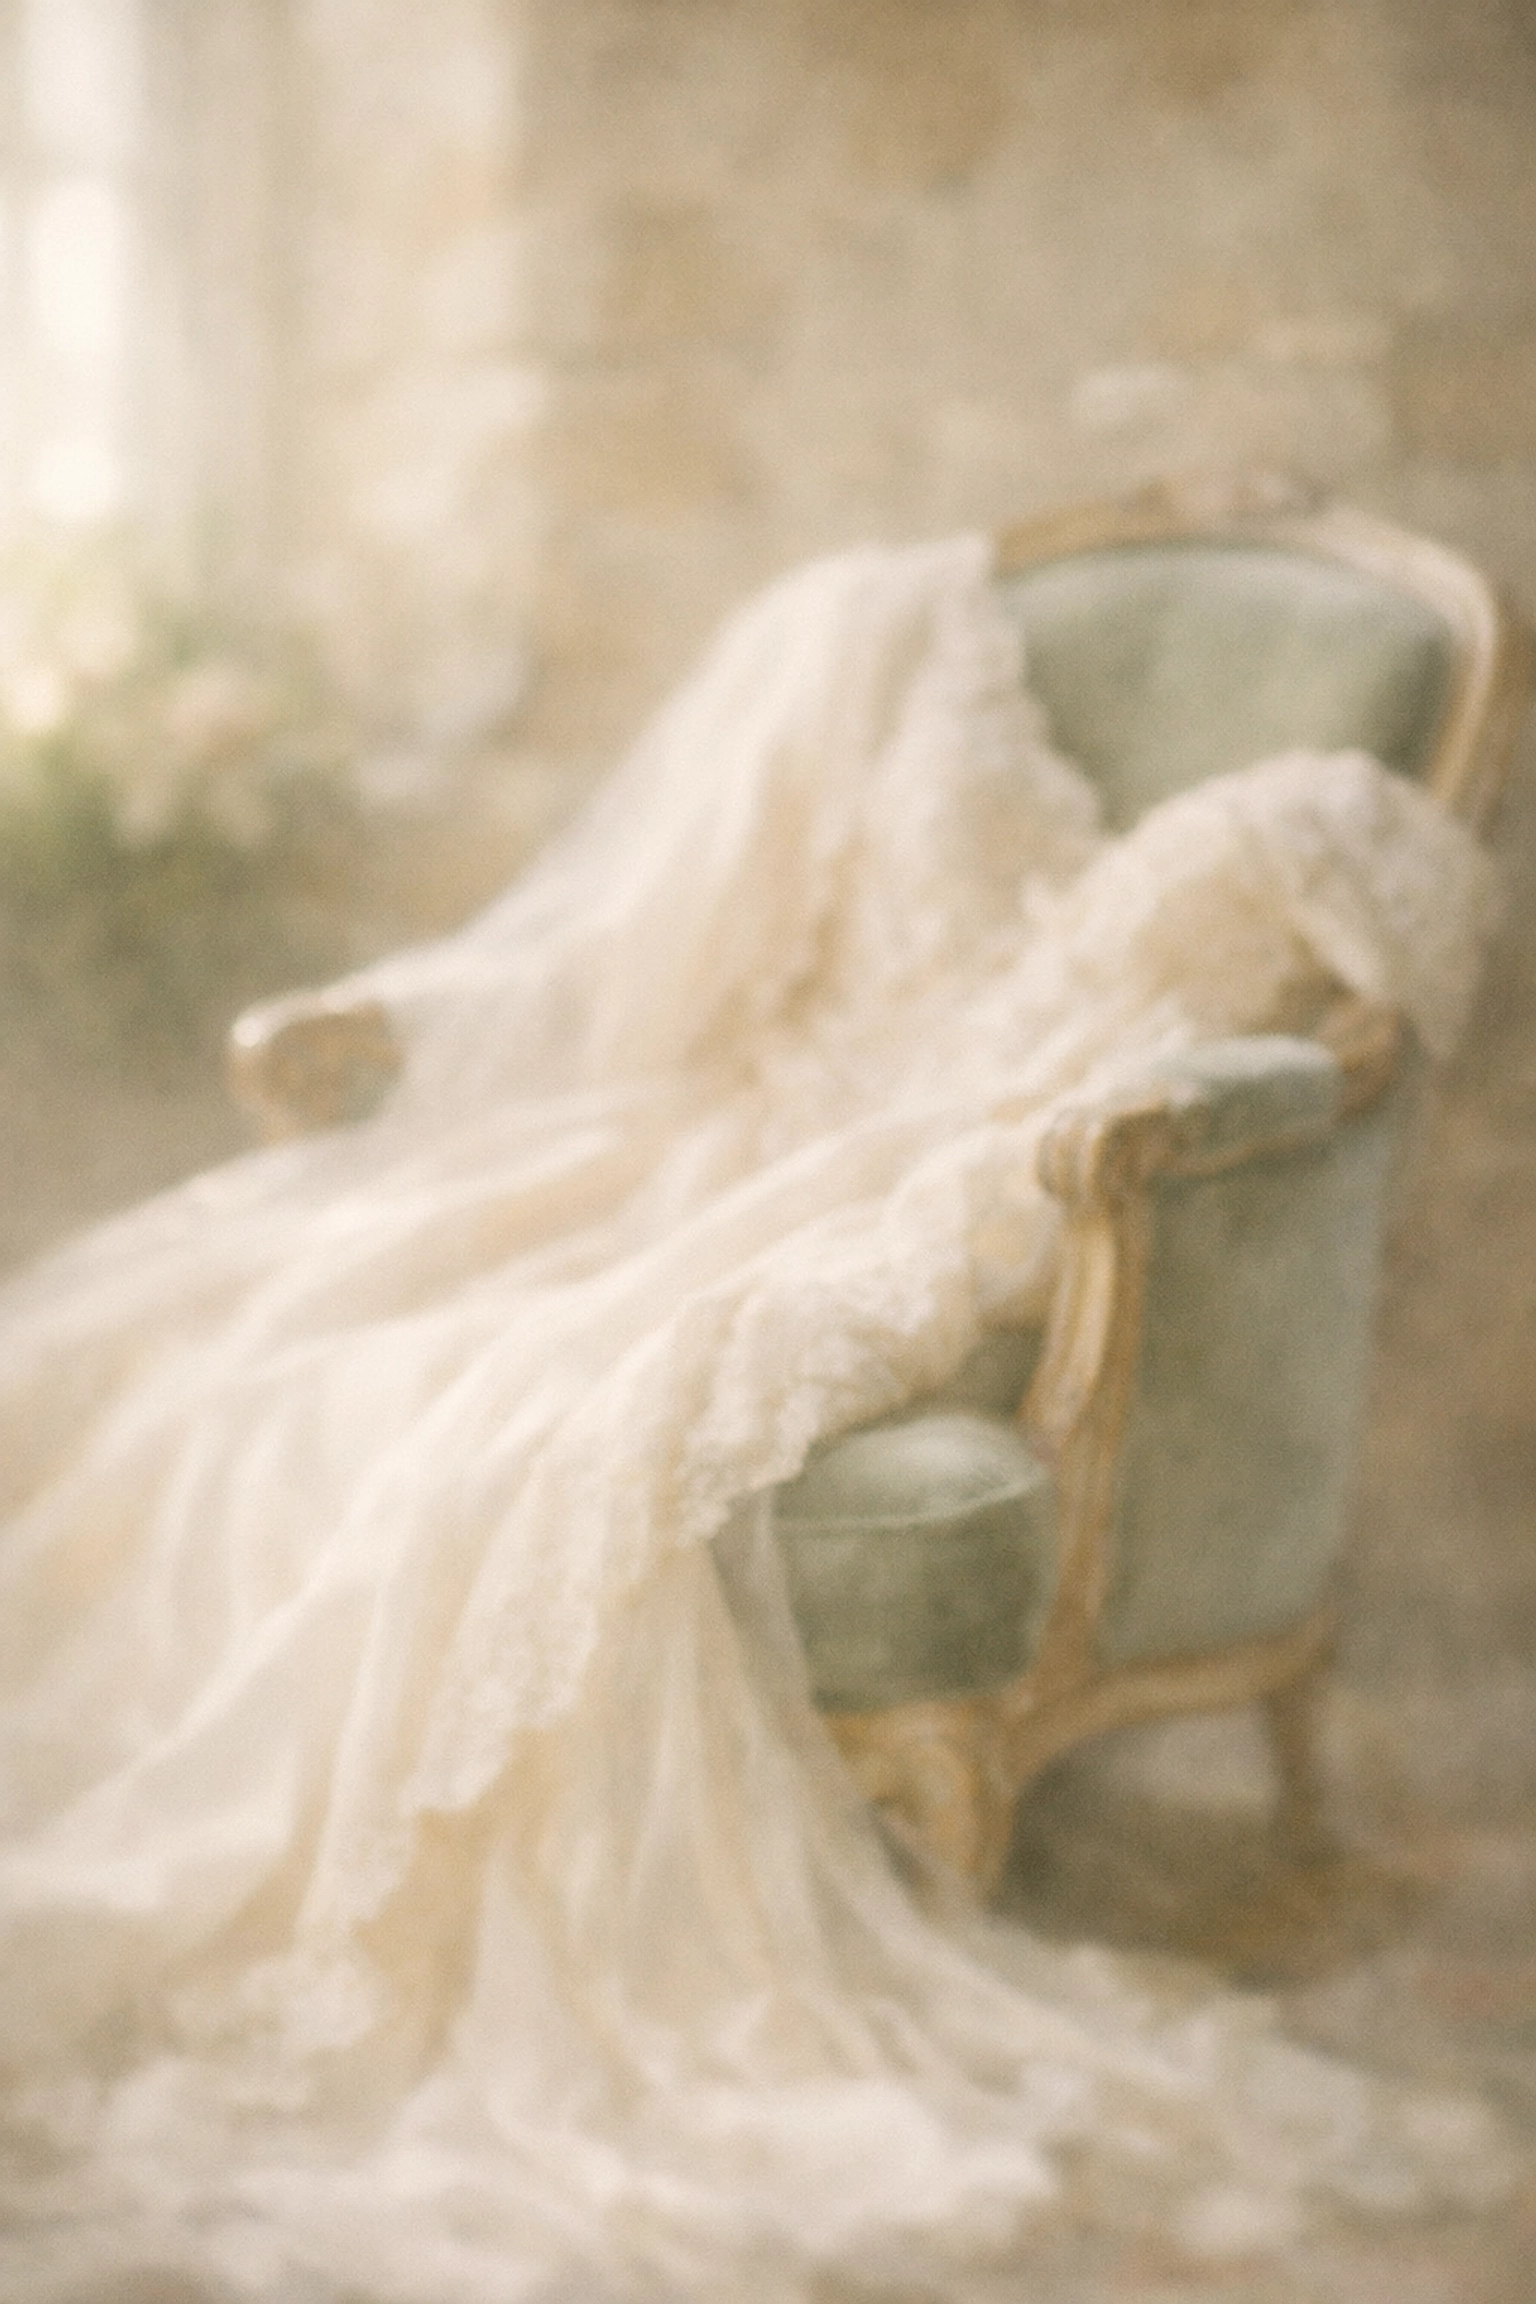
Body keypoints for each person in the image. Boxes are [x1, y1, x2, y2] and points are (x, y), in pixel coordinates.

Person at [0, 536, 1512, 2303]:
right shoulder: (879, 651)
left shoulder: (1302, 826)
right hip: (783, 1106)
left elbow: (1362, 1043)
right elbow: (674, 955)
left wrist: (1068, 1105)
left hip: (987, 1126)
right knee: (257, 1355)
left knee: (541, 1398)